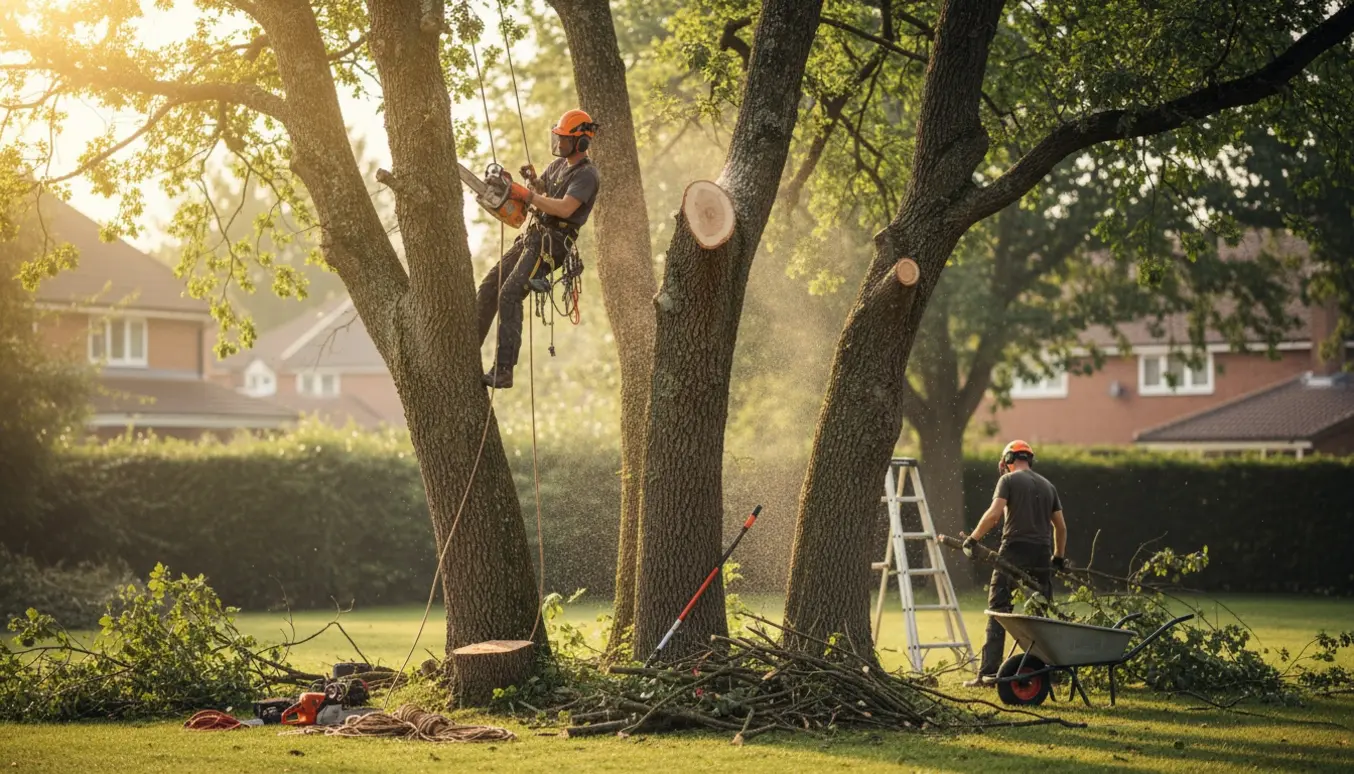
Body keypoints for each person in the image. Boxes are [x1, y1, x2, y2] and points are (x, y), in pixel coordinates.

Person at [476, 108, 601, 388]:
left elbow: (566, 208)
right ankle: (467, 348)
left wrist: (528, 194)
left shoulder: (587, 175)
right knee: (489, 287)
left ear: (580, 141)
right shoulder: (559, 166)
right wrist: (535, 184)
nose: (559, 144)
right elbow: (546, 193)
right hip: (533, 236)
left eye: (564, 139)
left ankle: (504, 369)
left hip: (552, 244)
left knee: (509, 294)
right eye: (557, 137)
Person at [960, 440, 1068, 687]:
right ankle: (1045, 673)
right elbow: (1060, 527)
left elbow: (994, 514)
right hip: (1042, 552)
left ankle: (989, 674)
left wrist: (972, 539)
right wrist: (1058, 558)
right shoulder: (1048, 486)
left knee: (999, 609)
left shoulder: (1008, 481)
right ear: (1030, 459)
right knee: (1040, 612)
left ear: (1007, 460)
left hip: (1014, 549)